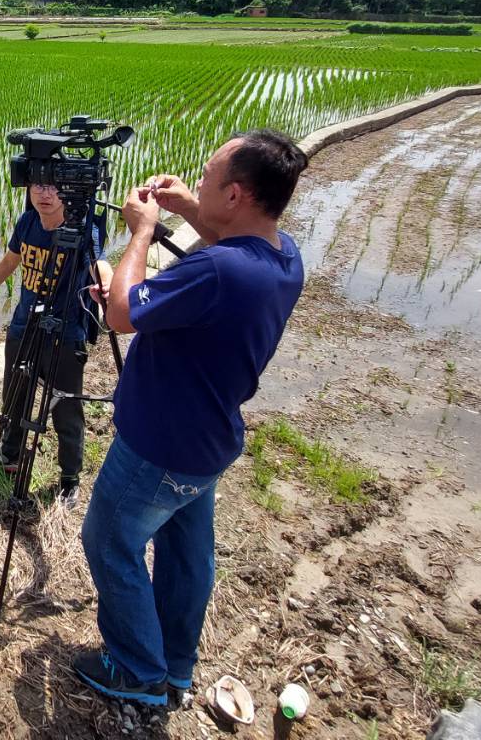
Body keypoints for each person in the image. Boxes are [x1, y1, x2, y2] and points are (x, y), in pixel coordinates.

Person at [72, 129, 309, 707]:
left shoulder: (219, 271)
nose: (195, 181)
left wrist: (142, 234)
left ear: (237, 195)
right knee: (185, 556)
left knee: (108, 543)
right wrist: (188, 209)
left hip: (158, 444)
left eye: (207, 177)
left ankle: (137, 671)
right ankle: (176, 667)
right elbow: (227, 257)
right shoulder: (282, 257)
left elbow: (125, 313)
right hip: (205, 443)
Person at [0, 182, 112, 505]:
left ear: (70, 193)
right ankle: (11, 456)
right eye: (39, 186)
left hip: (64, 331)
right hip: (24, 324)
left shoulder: (81, 228)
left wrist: (108, 287)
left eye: (55, 188)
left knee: (65, 407)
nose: (45, 195)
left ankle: (69, 478)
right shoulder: (28, 222)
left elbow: (97, 262)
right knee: (14, 395)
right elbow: (10, 261)